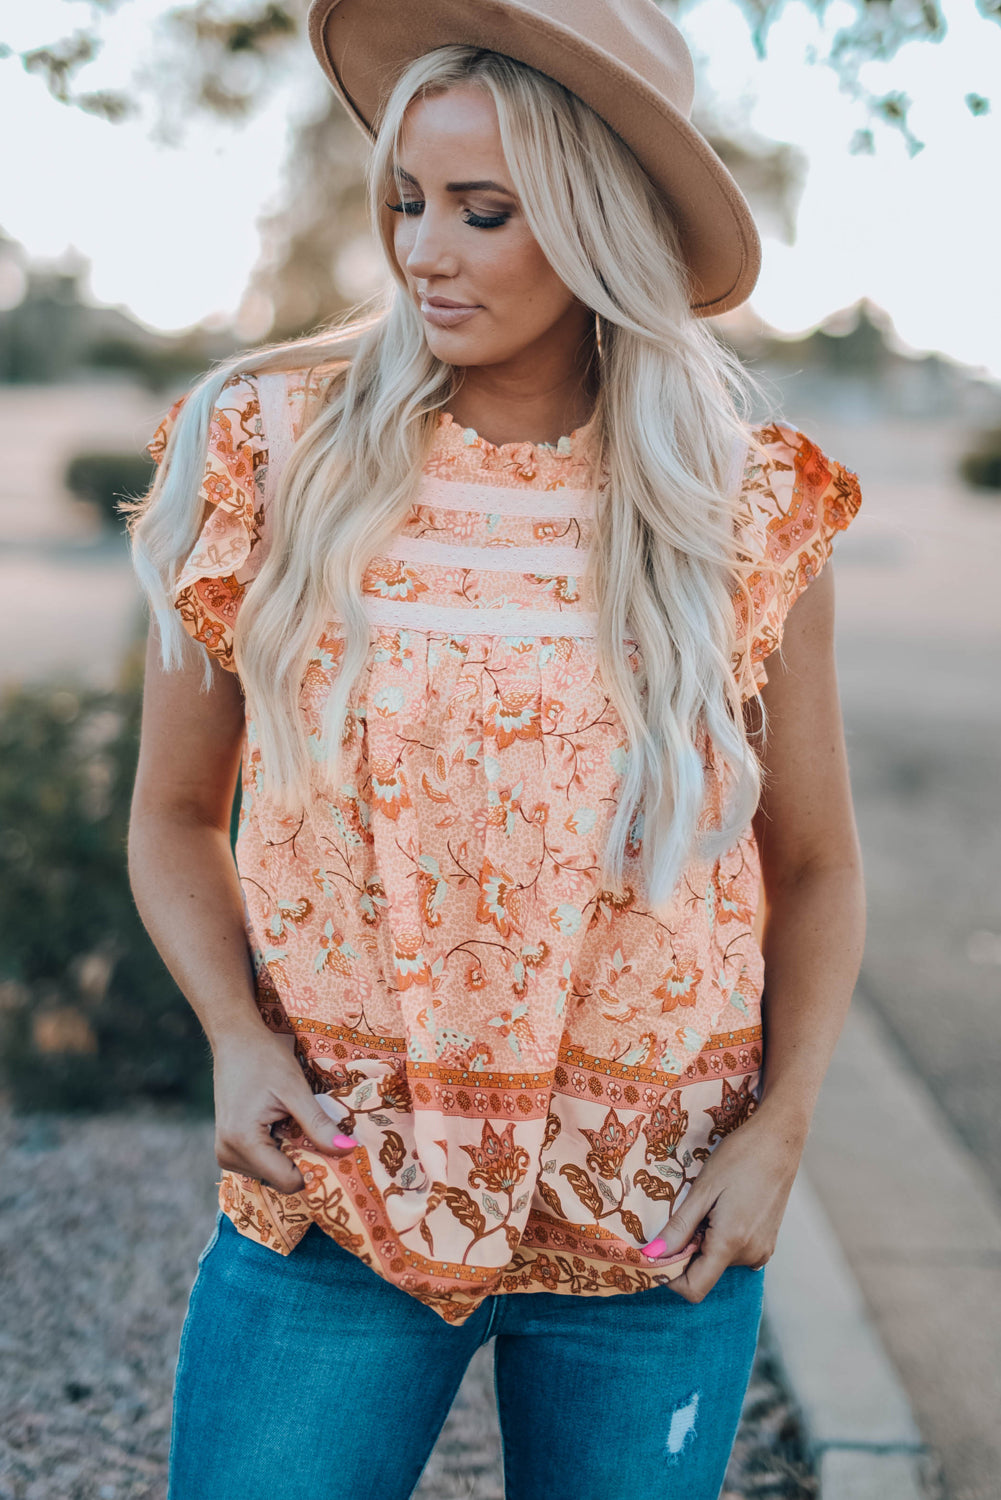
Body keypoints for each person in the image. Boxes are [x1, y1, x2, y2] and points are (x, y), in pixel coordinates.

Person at [125, 1, 866, 1496]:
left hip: (656, 1209)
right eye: (408, 201)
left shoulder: (742, 502)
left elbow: (816, 863)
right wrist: (236, 1036)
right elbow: (173, 814)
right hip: (341, 1182)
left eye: (484, 210)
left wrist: (780, 1131)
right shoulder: (269, 446)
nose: (425, 252)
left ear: (599, 225)